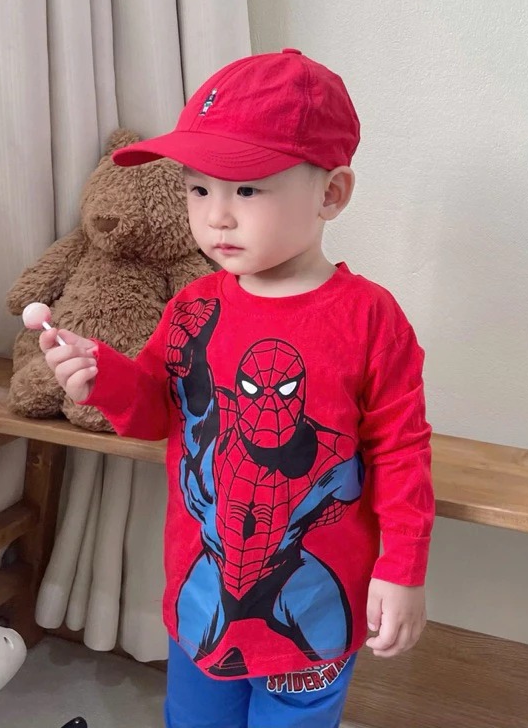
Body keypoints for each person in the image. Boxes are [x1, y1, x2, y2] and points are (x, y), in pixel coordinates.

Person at [39, 48, 435, 728]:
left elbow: (401, 453)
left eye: (246, 190)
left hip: (313, 610)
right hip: (202, 603)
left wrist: (402, 568)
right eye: (198, 190)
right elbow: (157, 410)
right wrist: (103, 377)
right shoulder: (193, 308)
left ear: (331, 193)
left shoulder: (370, 318)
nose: (216, 216)